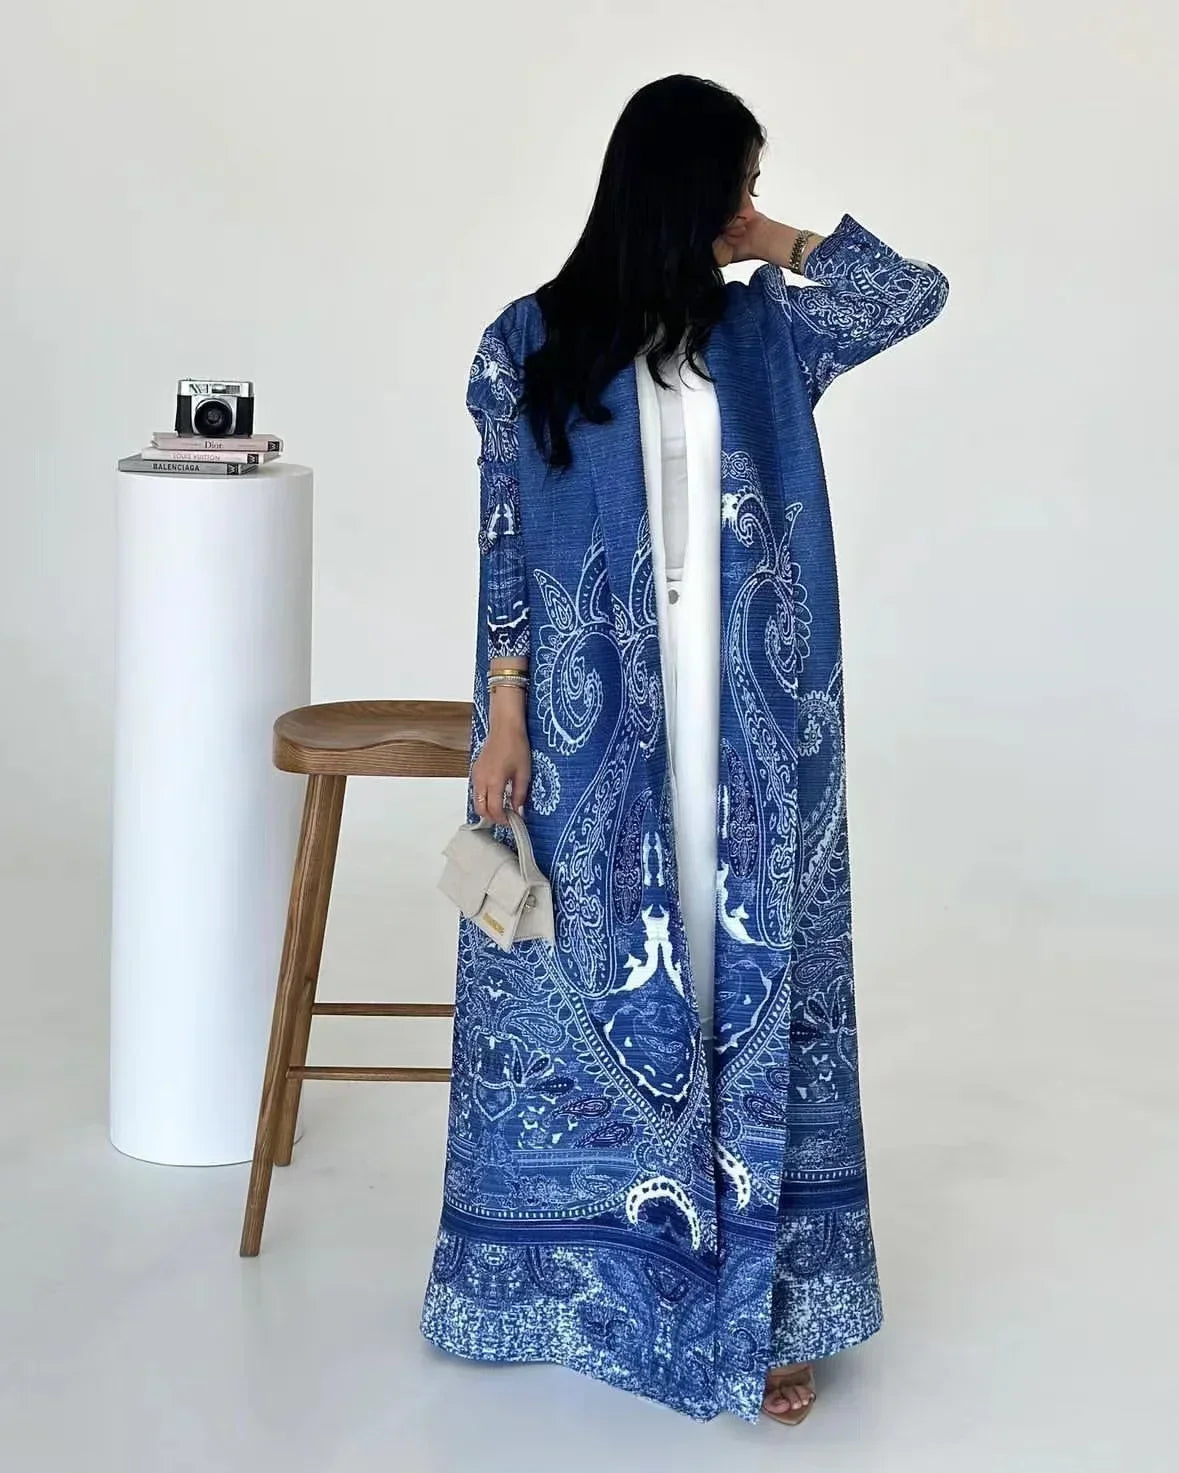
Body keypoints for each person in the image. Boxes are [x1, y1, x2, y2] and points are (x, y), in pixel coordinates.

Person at [421, 73, 949, 1426]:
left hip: (751, 721)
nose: (750, 205)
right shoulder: (529, 342)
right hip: (596, 724)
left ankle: (773, 1306)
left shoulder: (766, 331)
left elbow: (910, 295)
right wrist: (507, 707)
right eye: (737, 182)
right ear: (676, 185)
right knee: (607, 982)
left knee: (745, 977)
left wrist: (773, 238)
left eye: (755, 185)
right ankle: (600, 1285)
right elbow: (504, 537)